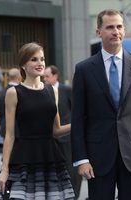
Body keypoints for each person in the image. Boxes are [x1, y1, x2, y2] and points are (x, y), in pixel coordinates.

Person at [71, 9, 131, 200]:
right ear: (98, 32)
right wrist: (81, 159)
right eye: (110, 27)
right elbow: (77, 118)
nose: (116, 31)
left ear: (124, 31)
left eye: (119, 27)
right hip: (97, 157)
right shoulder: (84, 69)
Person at [0, 42, 75, 199]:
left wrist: (79, 124)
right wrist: (4, 169)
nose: (40, 63)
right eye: (34, 59)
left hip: (50, 158)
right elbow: (10, 135)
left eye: (42, 59)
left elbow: (56, 130)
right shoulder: (13, 93)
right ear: (23, 65)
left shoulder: (52, 90)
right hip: (24, 158)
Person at [44, 65, 82, 199]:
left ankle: (74, 195)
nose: (45, 79)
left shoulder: (67, 90)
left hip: (66, 136)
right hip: (50, 138)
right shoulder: (44, 91)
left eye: (47, 76)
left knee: (71, 169)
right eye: (44, 77)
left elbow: (77, 110)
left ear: (55, 76)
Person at [0, 67, 21, 138]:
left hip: (4, 127)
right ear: (19, 77)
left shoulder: (1, 92)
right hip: (18, 129)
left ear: (8, 78)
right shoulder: (20, 92)